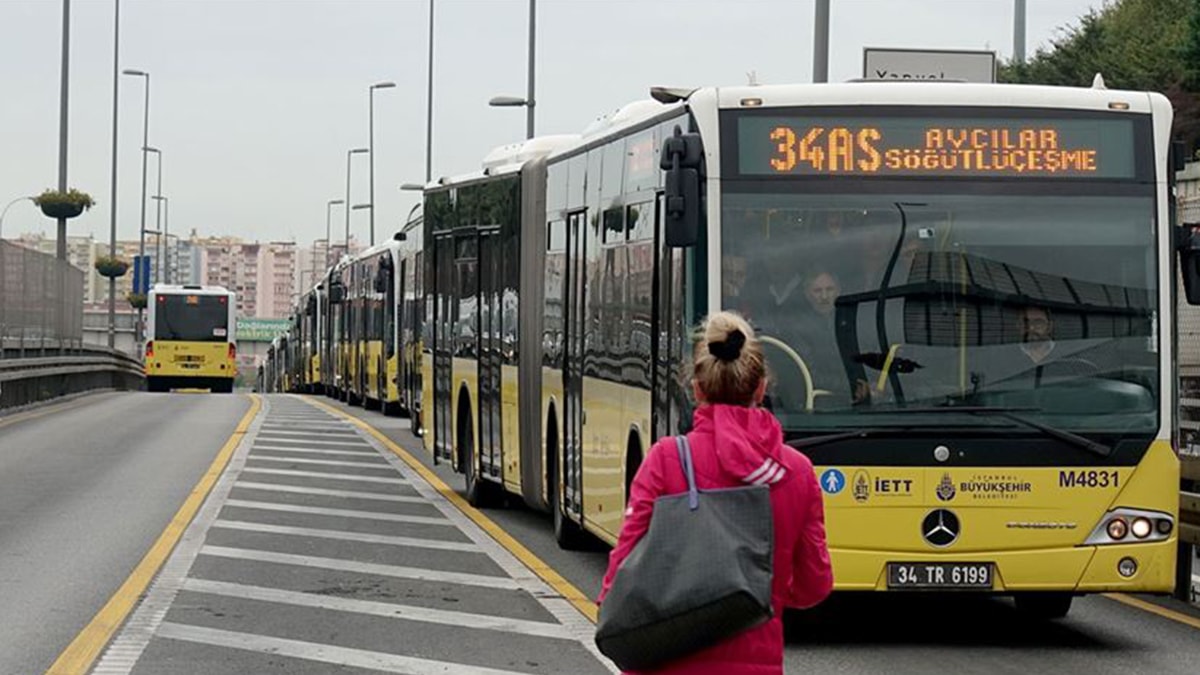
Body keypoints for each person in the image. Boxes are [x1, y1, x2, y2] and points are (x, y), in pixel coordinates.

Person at [598, 311, 834, 674]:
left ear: (696, 388)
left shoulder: (667, 459)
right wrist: (755, 588)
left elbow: (623, 564)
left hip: (666, 661)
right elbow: (814, 585)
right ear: (761, 387)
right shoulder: (796, 472)